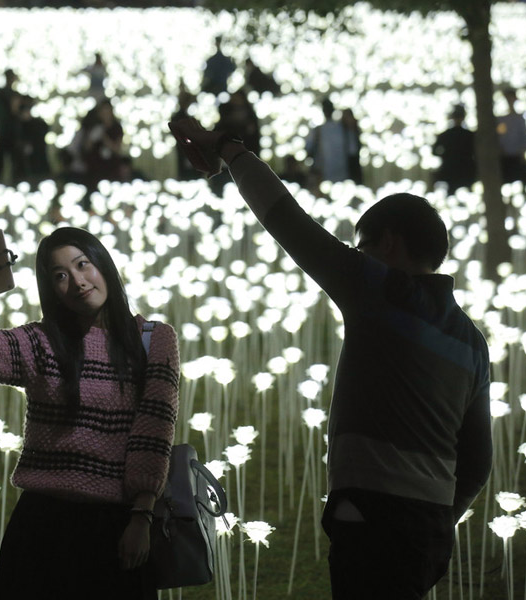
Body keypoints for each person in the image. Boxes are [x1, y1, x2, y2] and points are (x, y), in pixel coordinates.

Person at [169, 117, 492, 600]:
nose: (356, 255)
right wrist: (440, 514)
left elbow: (285, 218)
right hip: (430, 528)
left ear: (388, 244)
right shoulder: (472, 341)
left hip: (371, 515)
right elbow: (479, 459)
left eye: (363, 247)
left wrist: (229, 150)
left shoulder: (379, 290)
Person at [0, 227, 179, 599]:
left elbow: (154, 430)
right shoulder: (45, 341)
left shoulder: (152, 340)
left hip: (116, 522)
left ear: (103, 265)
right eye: (60, 276)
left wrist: (142, 515)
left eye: (83, 265)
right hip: (42, 522)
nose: (78, 282)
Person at [305, 98, 357, 183]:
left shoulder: (319, 130)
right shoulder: (341, 129)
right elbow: (352, 150)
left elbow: (308, 149)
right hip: (332, 176)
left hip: (335, 176)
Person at [0, 69, 23, 183]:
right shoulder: (1, 95)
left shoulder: (3, 95)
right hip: (5, 131)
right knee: (6, 162)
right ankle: (4, 182)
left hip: (7, 132)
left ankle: (4, 182)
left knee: (9, 162)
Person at [432, 104, 477, 194]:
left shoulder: (445, 135)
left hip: (454, 169)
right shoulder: (469, 135)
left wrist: (445, 155)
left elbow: (434, 151)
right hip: (464, 169)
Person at [496, 88, 526, 184]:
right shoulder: (501, 119)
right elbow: (499, 137)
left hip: (518, 157)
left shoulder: (520, 118)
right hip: (506, 157)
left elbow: (524, 137)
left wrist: (523, 152)